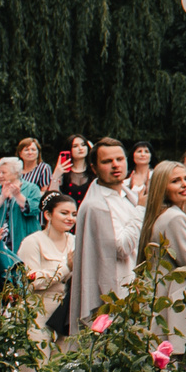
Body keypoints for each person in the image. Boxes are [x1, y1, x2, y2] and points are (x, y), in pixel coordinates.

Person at [69, 140, 142, 332]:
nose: (116, 165)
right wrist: (142, 210)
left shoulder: (129, 196)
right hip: (115, 294)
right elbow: (120, 248)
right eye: (107, 161)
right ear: (94, 167)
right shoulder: (96, 205)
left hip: (137, 289)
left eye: (119, 159)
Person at [142, 161, 186, 353]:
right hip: (179, 304)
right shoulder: (175, 217)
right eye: (176, 181)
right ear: (162, 187)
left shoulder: (162, 214)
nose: (185, 184)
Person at [19, 195, 76, 338]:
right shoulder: (32, 242)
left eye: (74, 214)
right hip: (38, 313)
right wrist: (66, 268)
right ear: (48, 215)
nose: (70, 218)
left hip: (67, 315)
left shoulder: (75, 241)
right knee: (39, 359)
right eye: (64, 213)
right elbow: (32, 282)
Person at [0, 157, 43, 262]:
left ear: (16, 173)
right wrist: (2, 197)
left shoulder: (31, 188)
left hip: (25, 237)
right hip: (0, 241)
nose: (0, 175)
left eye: (3, 172)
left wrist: (18, 195)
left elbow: (35, 208)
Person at [52, 136, 93, 205]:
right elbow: (52, 197)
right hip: (69, 213)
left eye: (83, 145)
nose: (80, 148)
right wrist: (56, 174)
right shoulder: (64, 172)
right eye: (75, 146)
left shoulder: (94, 169)